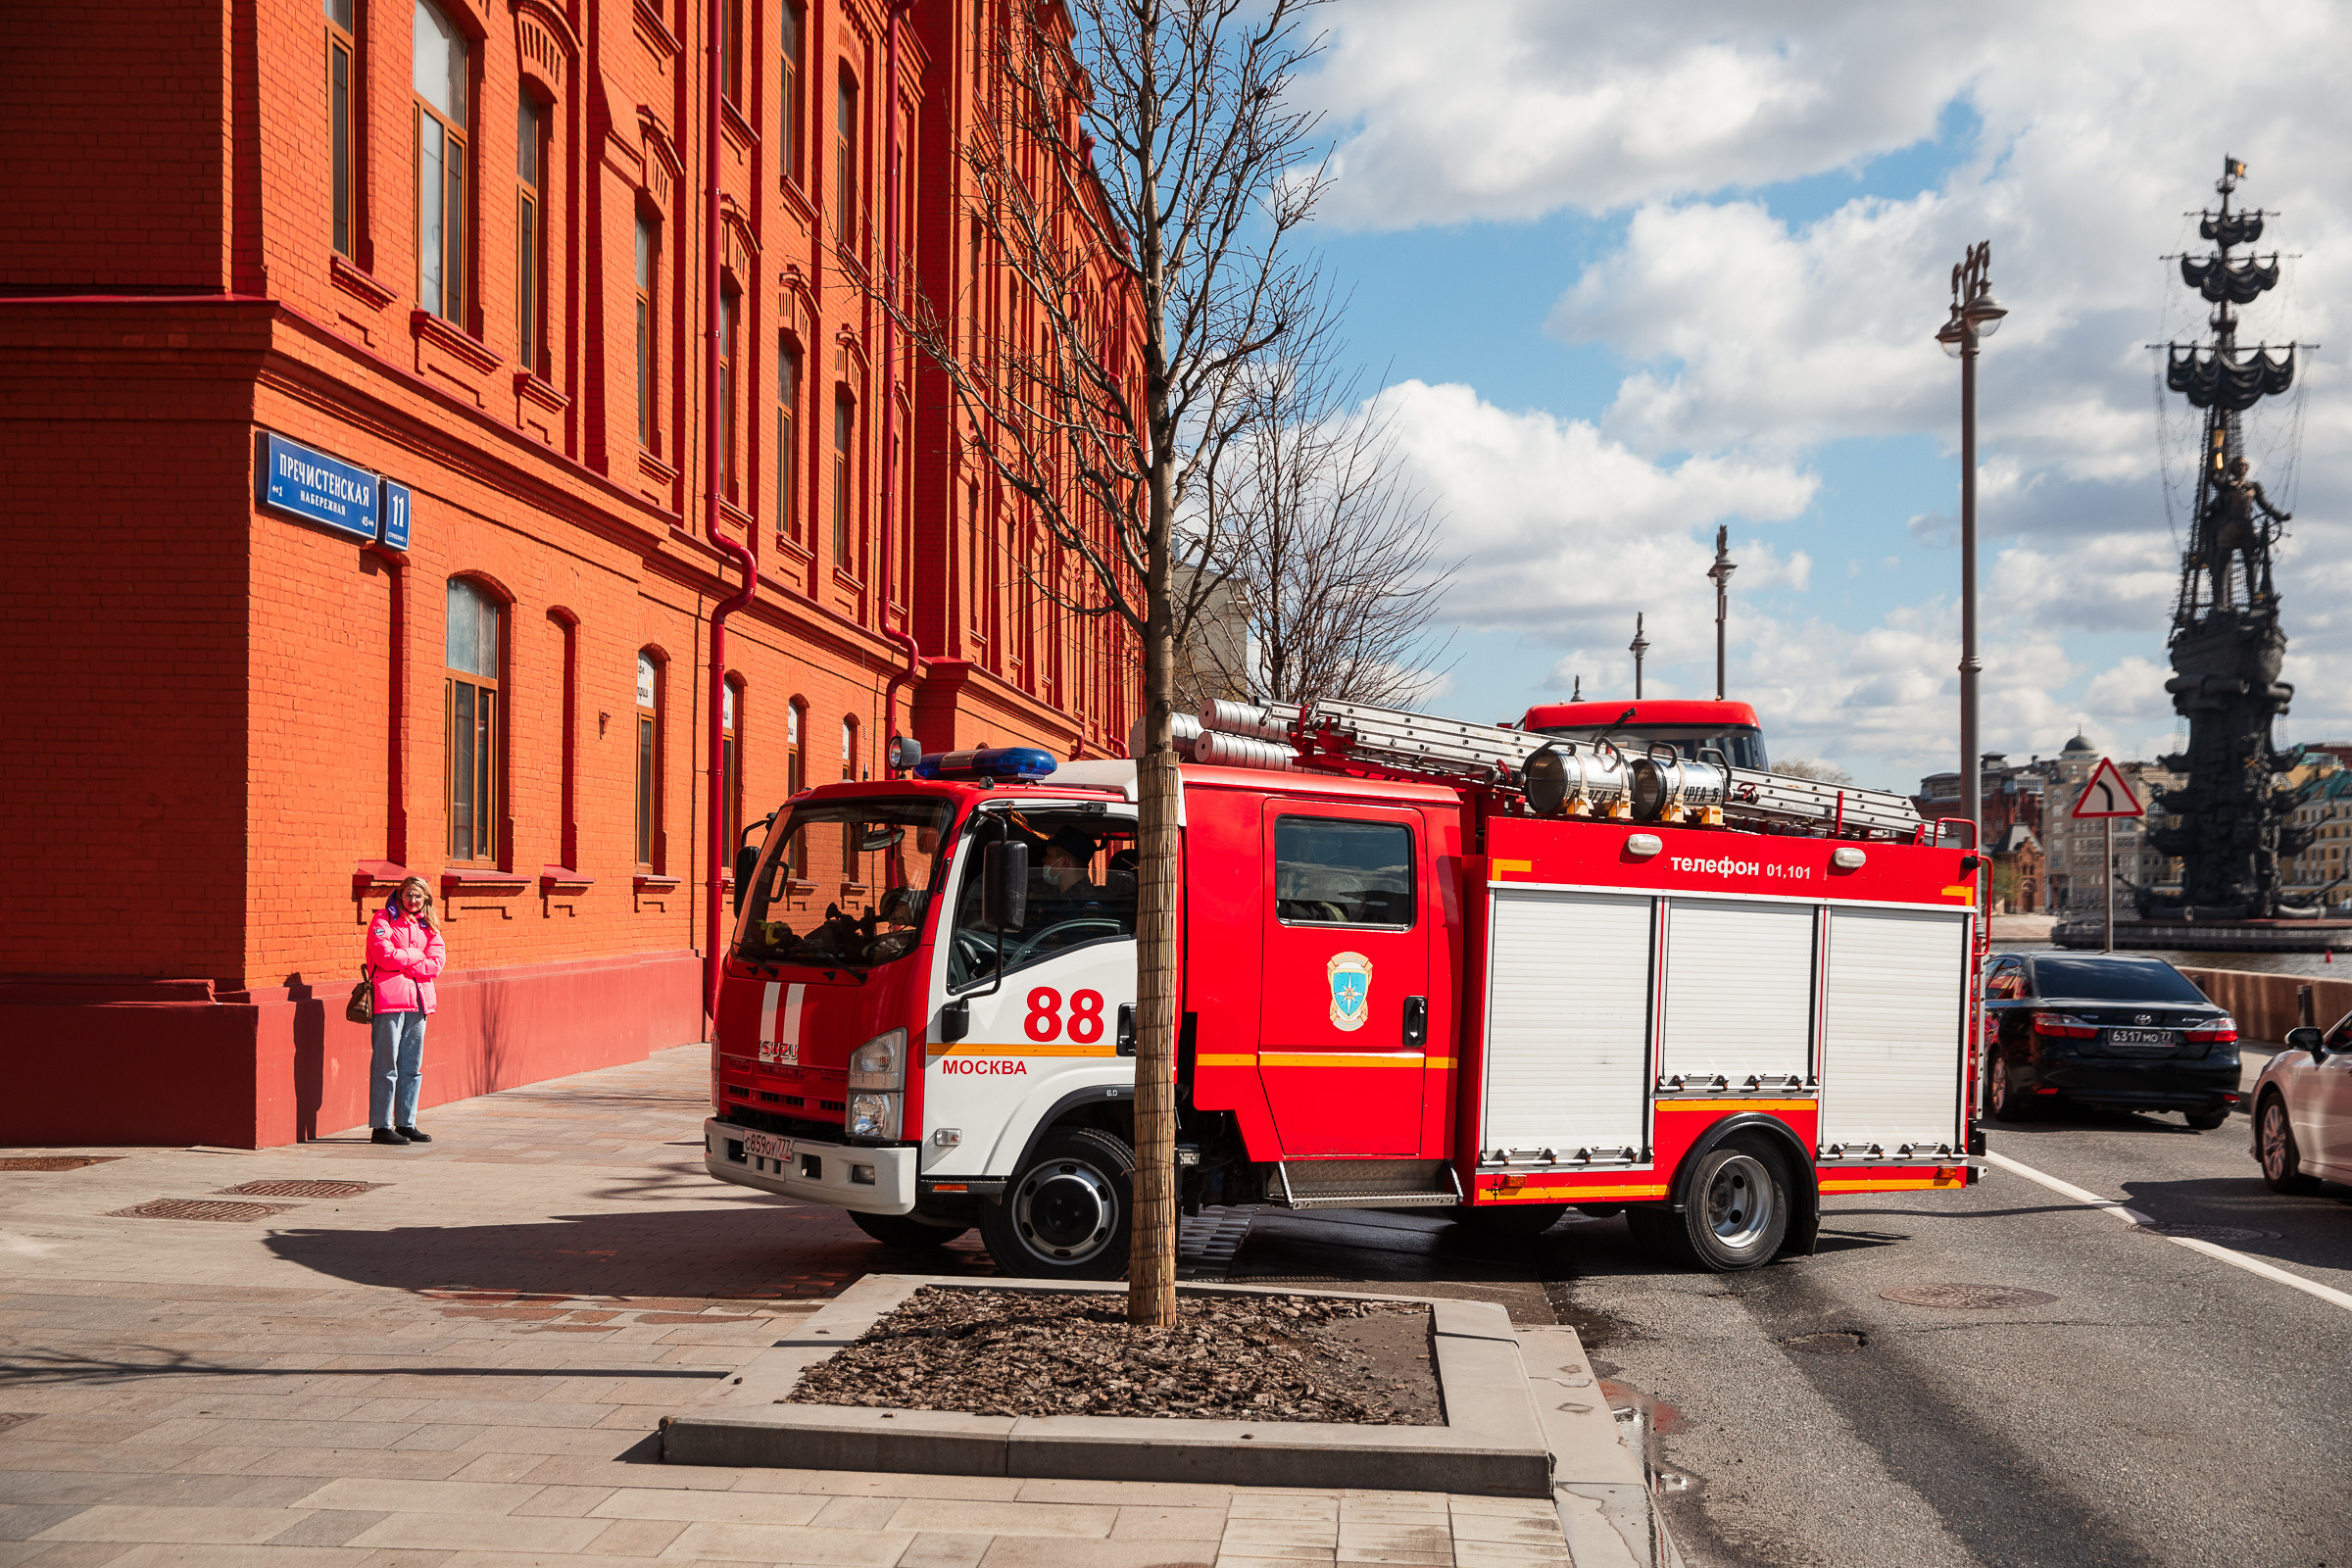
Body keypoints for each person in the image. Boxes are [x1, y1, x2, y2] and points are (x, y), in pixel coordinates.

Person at [365, 876, 446, 1146]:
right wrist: (416, 956)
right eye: (409, 895)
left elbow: (437, 962)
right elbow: (383, 956)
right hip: (389, 1001)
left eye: (418, 896)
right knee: (386, 1065)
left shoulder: (429, 926)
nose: (413, 901)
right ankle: (381, 1126)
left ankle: (406, 1122)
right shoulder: (383, 919)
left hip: (420, 1002)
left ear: (425, 900)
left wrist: (405, 960)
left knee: (412, 1066)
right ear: (400, 896)